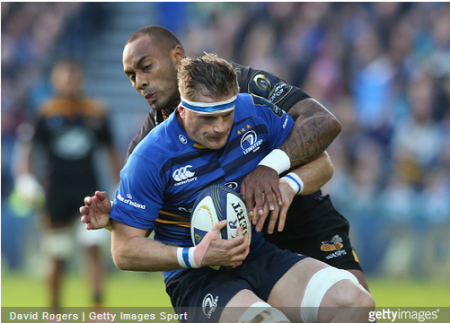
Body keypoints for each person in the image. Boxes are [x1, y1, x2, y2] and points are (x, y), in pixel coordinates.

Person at [80, 25, 370, 291]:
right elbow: (139, 227)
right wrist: (112, 221)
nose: (140, 82)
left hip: (300, 214)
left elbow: (323, 122)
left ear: (177, 56)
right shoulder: (147, 145)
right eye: (131, 76)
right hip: (239, 244)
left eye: (146, 67)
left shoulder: (242, 86)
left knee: (354, 302)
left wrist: (271, 168)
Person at [15, 60, 122, 307]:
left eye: (74, 76)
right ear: (55, 80)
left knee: (93, 247)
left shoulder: (97, 112)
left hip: (89, 189)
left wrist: (119, 184)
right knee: (57, 252)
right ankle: (54, 309)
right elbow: (28, 152)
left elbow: (111, 152)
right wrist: (25, 178)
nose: (70, 82)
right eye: (65, 77)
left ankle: (97, 307)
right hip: (57, 191)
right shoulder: (45, 112)